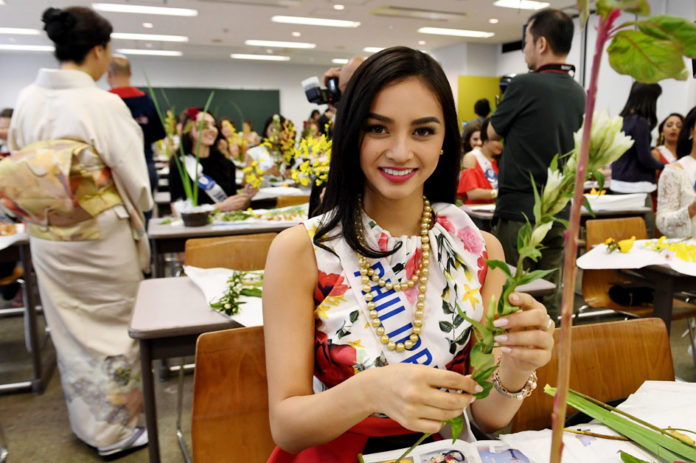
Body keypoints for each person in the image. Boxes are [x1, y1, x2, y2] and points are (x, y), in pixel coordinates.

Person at [262, 46, 554, 461]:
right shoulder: (303, 252)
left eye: (422, 131)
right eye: (378, 128)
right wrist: (371, 390)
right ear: (350, 133)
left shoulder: (479, 251)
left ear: (444, 142)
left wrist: (518, 366)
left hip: (446, 451)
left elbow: (489, 418)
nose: (400, 151)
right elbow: (287, 427)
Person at [7, 7, 151, 457]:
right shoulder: (102, 103)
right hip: (98, 235)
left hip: (48, 235)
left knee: (70, 331)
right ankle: (119, 430)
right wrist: (140, 210)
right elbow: (134, 178)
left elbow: (17, 164)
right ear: (98, 50)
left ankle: (90, 424)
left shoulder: (27, 99)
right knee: (116, 327)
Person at [488, 8, 585, 318]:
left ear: (541, 44)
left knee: (508, 295)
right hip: (560, 211)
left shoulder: (524, 85)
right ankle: (549, 363)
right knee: (548, 297)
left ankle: (507, 366)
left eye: (526, 42)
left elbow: (491, 131)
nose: (525, 49)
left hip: (520, 211)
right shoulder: (578, 93)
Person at [168, 108, 256, 212]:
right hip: (197, 226)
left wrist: (245, 197)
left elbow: (233, 209)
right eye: (204, 124)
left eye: (213, 125)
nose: (212, 129)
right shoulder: (180, 164)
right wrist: (220, 207)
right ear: (189, 130)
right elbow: (177, 211)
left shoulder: (226, 164)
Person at [106, 54, 165, 196]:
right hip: (144, 165)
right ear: (130, 74)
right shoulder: (146, 101)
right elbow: (158, 134)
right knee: (145, 216)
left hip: (114, 171)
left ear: (108, 75)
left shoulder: (105, 102)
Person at [611, 82, 664, 194]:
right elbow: (644, 158)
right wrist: (665, 166)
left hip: (618, 181)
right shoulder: (639, 122)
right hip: (636, 185)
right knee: (646, 212)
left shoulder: (622, 120)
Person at [656, 106, 696, 238]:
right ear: (692, 131)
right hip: (687, 251)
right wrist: (692, 209)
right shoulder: (674, 171)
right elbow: (662, 222)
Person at [458, 119, 502, 205]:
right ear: (485, 140)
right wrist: (500, 193)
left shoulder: (500, 160)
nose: (500, 144)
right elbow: (472, 194)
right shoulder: (471, 157)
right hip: (477, 213)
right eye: (497, 140)